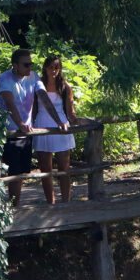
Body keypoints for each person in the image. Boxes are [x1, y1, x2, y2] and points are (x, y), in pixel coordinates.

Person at [32, 54, 82, 204]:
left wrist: (73, 119)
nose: (53, 70)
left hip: (62, 127)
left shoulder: (65, 87)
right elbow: (34, 107)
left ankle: (66, 201)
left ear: (60, 69)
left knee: (64, 167)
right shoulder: (38, 84)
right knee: (46, 169)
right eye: (50, 67)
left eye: (56, 67)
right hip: (43, 124)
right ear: (45, 67)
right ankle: (50, 202)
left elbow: (70, 109)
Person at [0, 48, 39, 205]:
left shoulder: (33, 76)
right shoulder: (5, 78)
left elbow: (41, 94)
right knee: (12, 171)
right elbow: (9, 103)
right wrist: (20, 123)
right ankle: (12, 205)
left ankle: (16, 204)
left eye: (31, 64)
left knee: (21, 171)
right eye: (26, 64)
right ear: (15, 65)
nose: (29, 68)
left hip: (26, 131)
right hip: (11, 131)